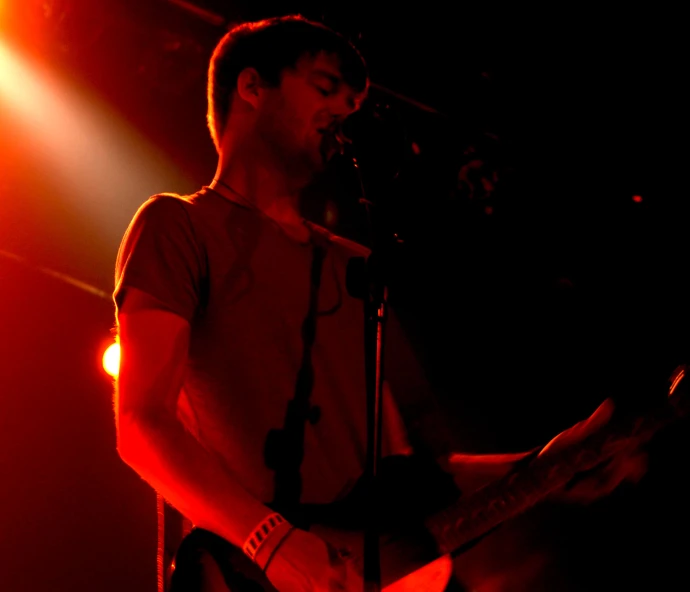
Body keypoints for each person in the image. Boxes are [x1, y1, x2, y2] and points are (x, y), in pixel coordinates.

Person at [113, 15, 647, 591]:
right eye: (325, 88)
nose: (344, 112)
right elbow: (141, 424)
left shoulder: (357, 266)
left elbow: (425, 472)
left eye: (354, 102)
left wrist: (542, 467)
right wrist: (272, 542)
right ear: (251, 87)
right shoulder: (177, 225)